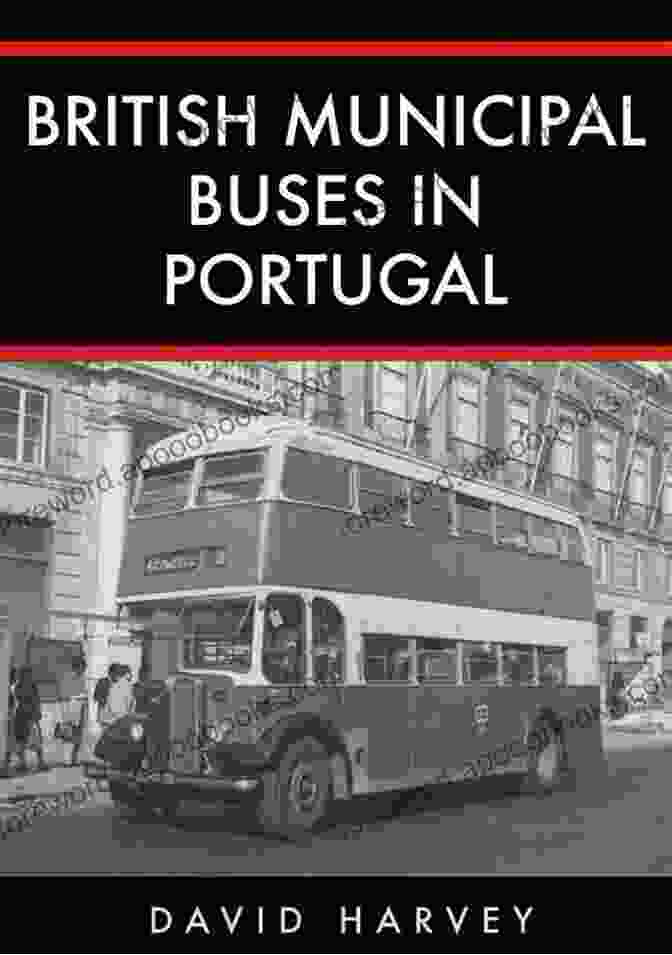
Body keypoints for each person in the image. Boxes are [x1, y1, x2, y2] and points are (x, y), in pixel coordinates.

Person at [10, 666, 47, 773]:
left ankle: (39, 762)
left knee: (35, 740)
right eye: (25, 674)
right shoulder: (19, 687)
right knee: (22, 741)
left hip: (28, 715)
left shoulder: (30, 686)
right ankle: (23, 763)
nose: (27, 677)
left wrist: (37, 712)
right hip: (22, 715)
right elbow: (22, 700)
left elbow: (36, 700)